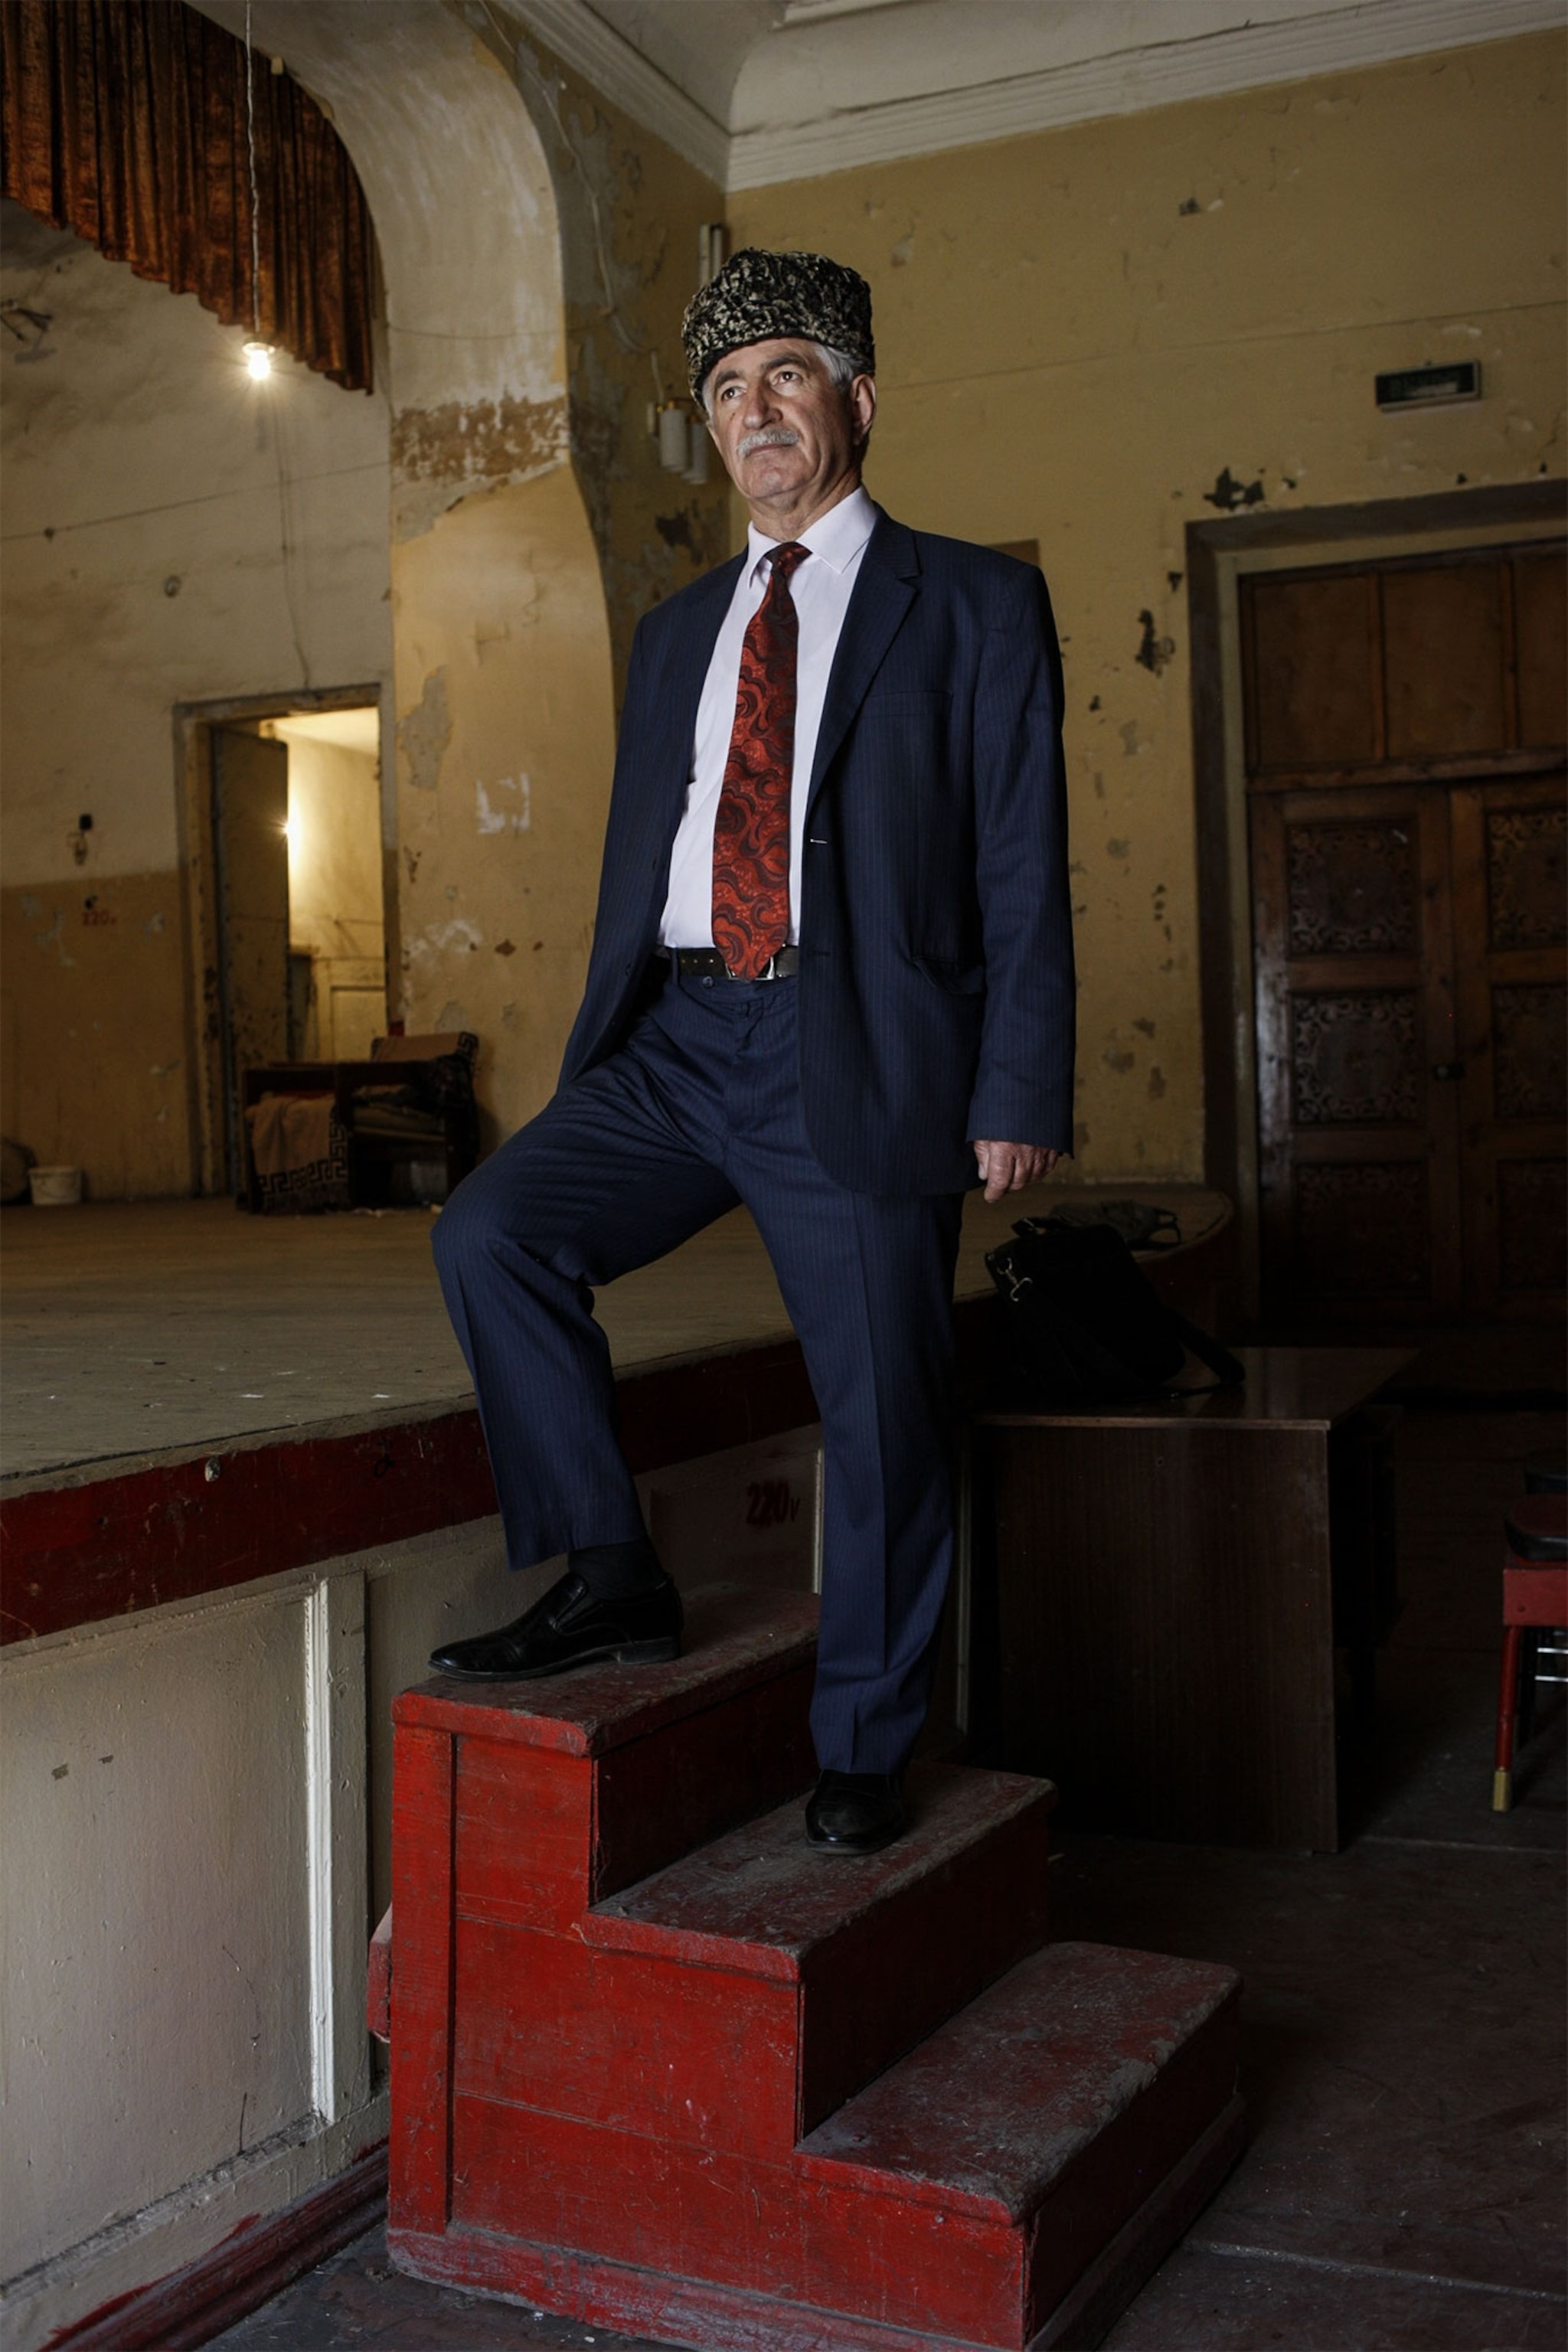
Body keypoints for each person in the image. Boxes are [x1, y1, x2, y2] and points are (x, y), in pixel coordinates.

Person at [428, 247, 1074, 1856]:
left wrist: (1015, 1084)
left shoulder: (972, 600)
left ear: (857, 399)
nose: (754, 411)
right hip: (679, 1031)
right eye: (725, 391)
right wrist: (613, 1037)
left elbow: (1017, 851)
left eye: (785, 375)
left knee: (881, 1415)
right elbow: (650, 840)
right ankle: (612, 1572)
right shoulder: (674, 633)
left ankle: (862, 1737)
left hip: (851, 1036)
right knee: (493, 1235)